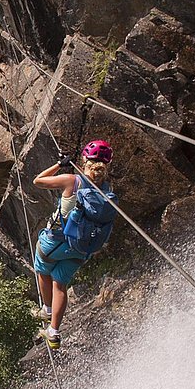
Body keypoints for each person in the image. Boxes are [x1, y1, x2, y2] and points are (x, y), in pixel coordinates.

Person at [32, 140, 113, 349]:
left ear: (85, 160)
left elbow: (38, 181)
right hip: (81, 248)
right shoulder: (106, 190)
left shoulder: (72, 180)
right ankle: (54, 331)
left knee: (42, 269)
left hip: (56, 241)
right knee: (61, 284)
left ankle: (47, 309)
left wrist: (60, 164)